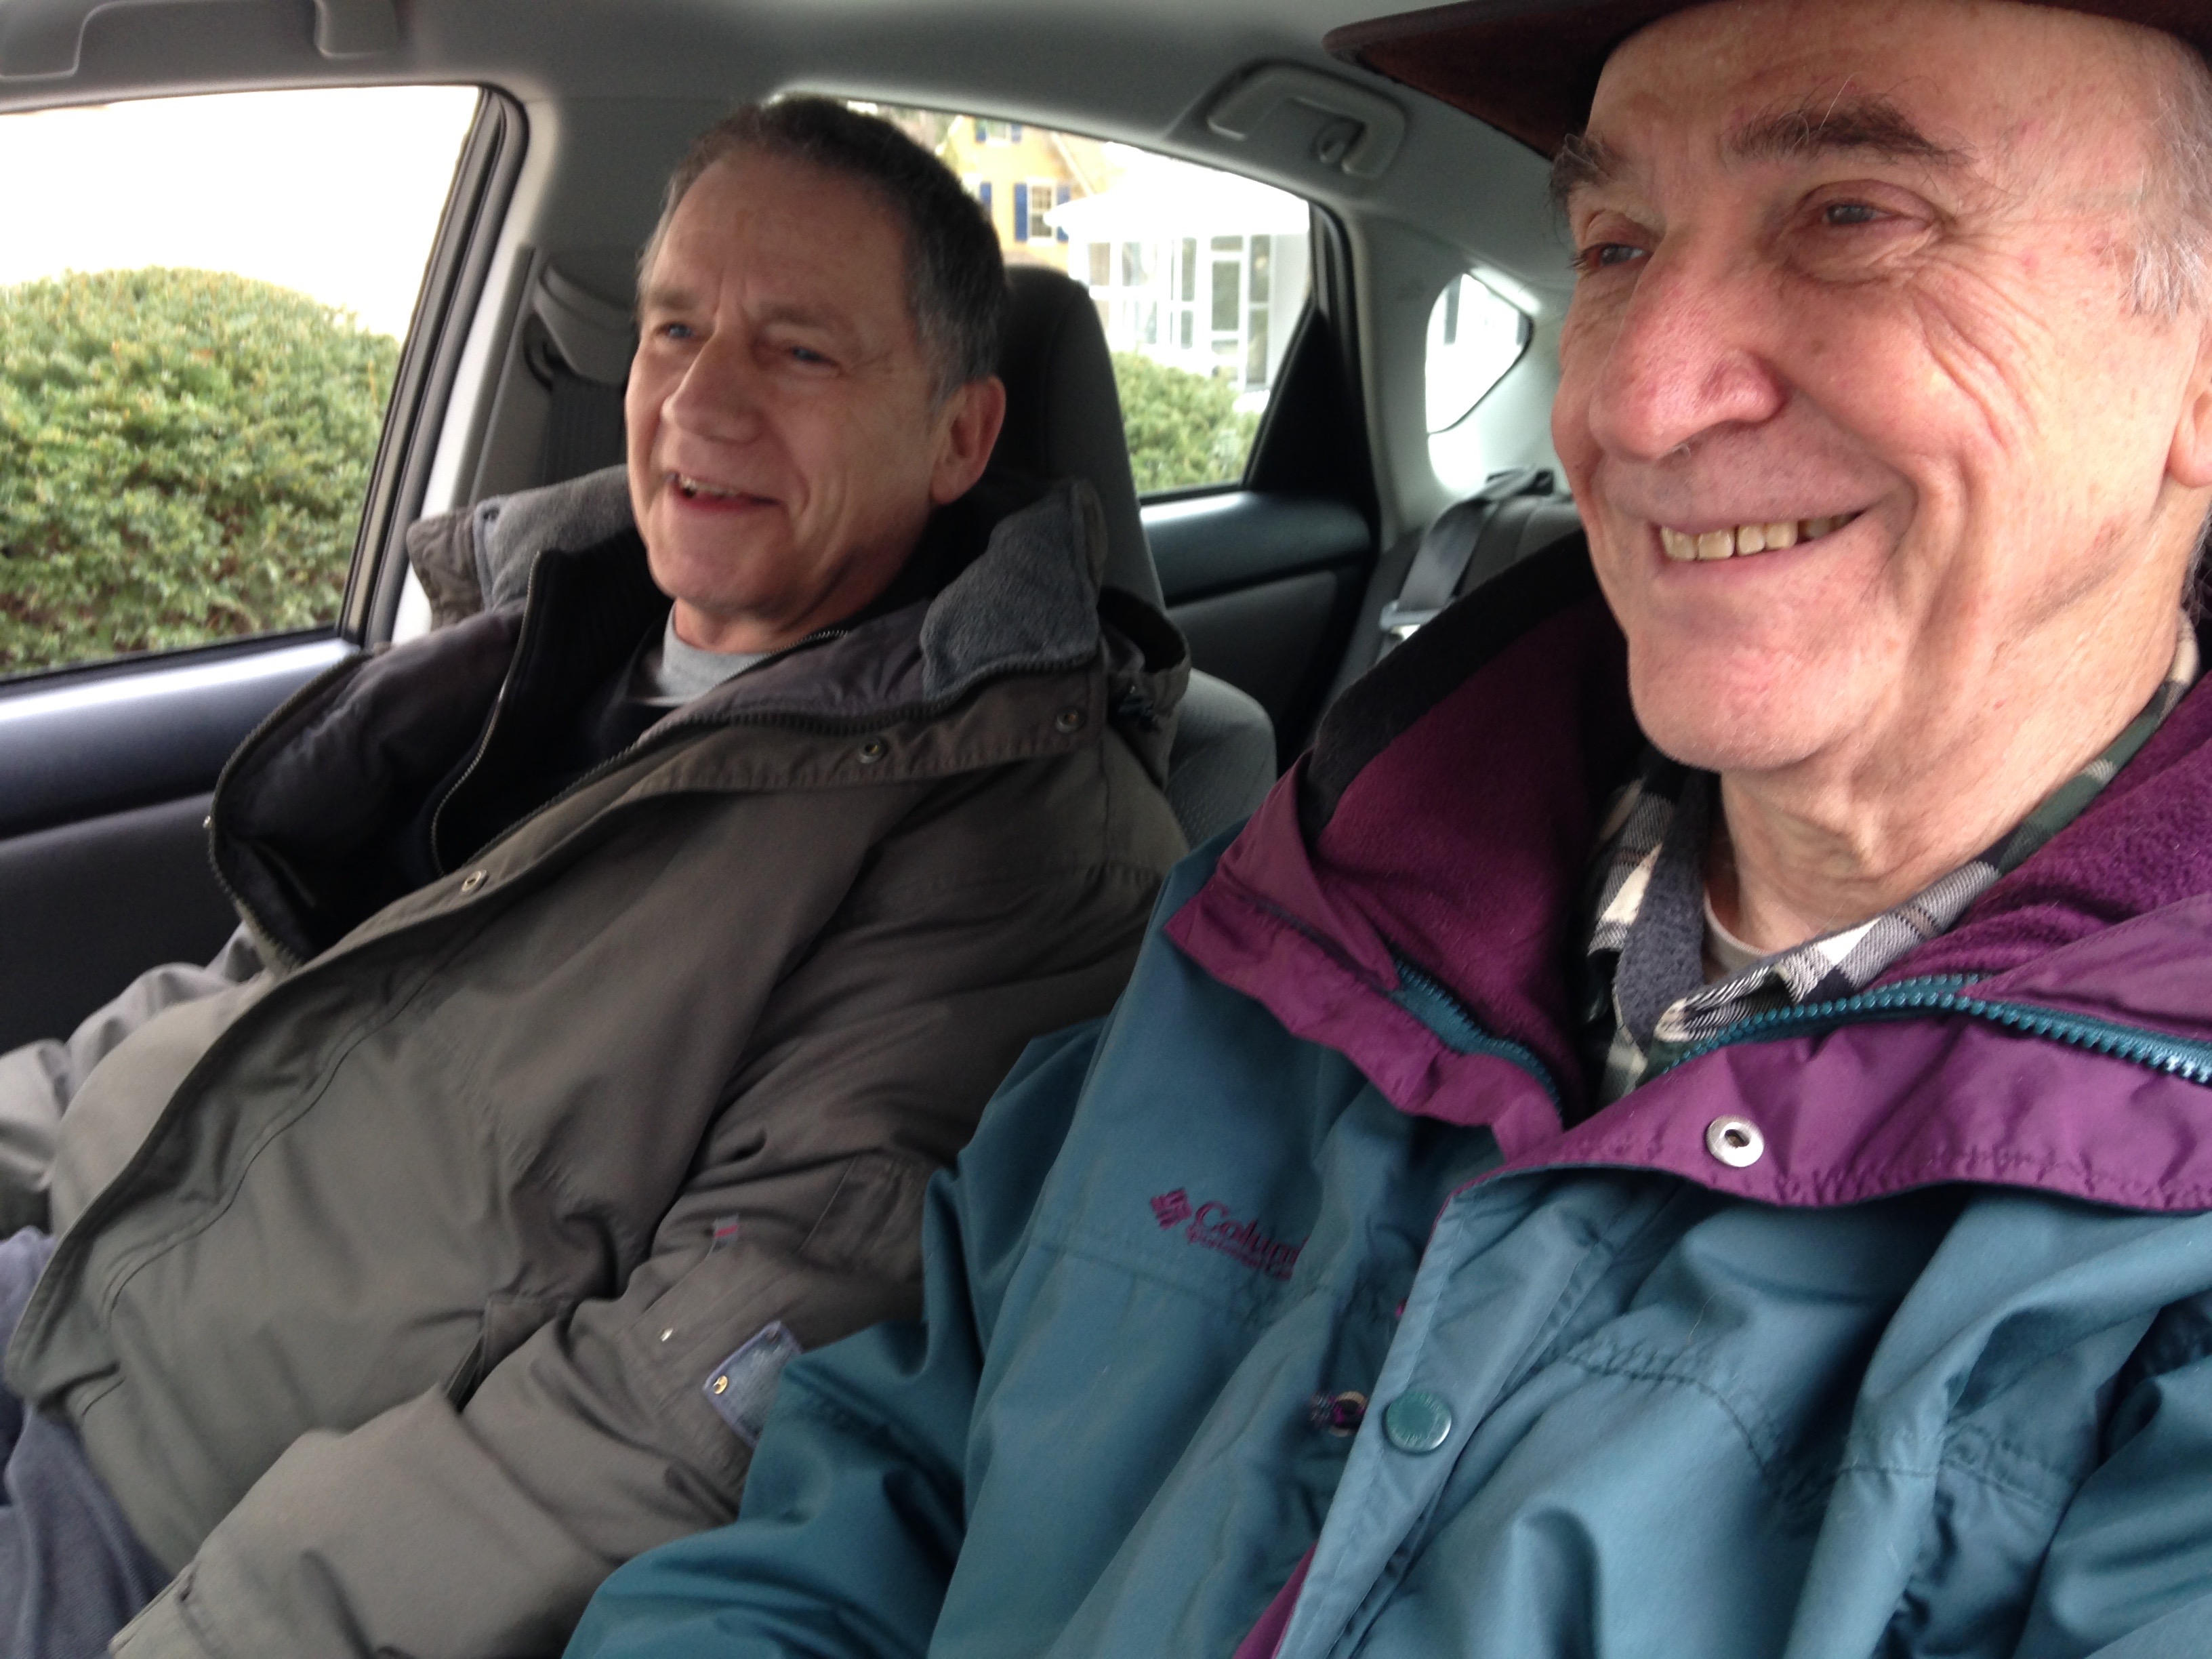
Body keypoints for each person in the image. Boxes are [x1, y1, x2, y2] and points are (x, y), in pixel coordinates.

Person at [565, 3, 2212, 1656]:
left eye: (1852, 217)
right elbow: (873, 1502)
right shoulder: (1285, 929)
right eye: (1618, 245)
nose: (1636, 403)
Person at [0, 98, 1188, 1659]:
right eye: (674, 328)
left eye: (799, 351)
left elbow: (689, 1399)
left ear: (961, 436)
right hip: (69, 1269)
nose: (700, 396)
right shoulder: (537, 645)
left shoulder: (1024, 847)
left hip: (176, 1509)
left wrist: (213, 1634)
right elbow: (260, 996)